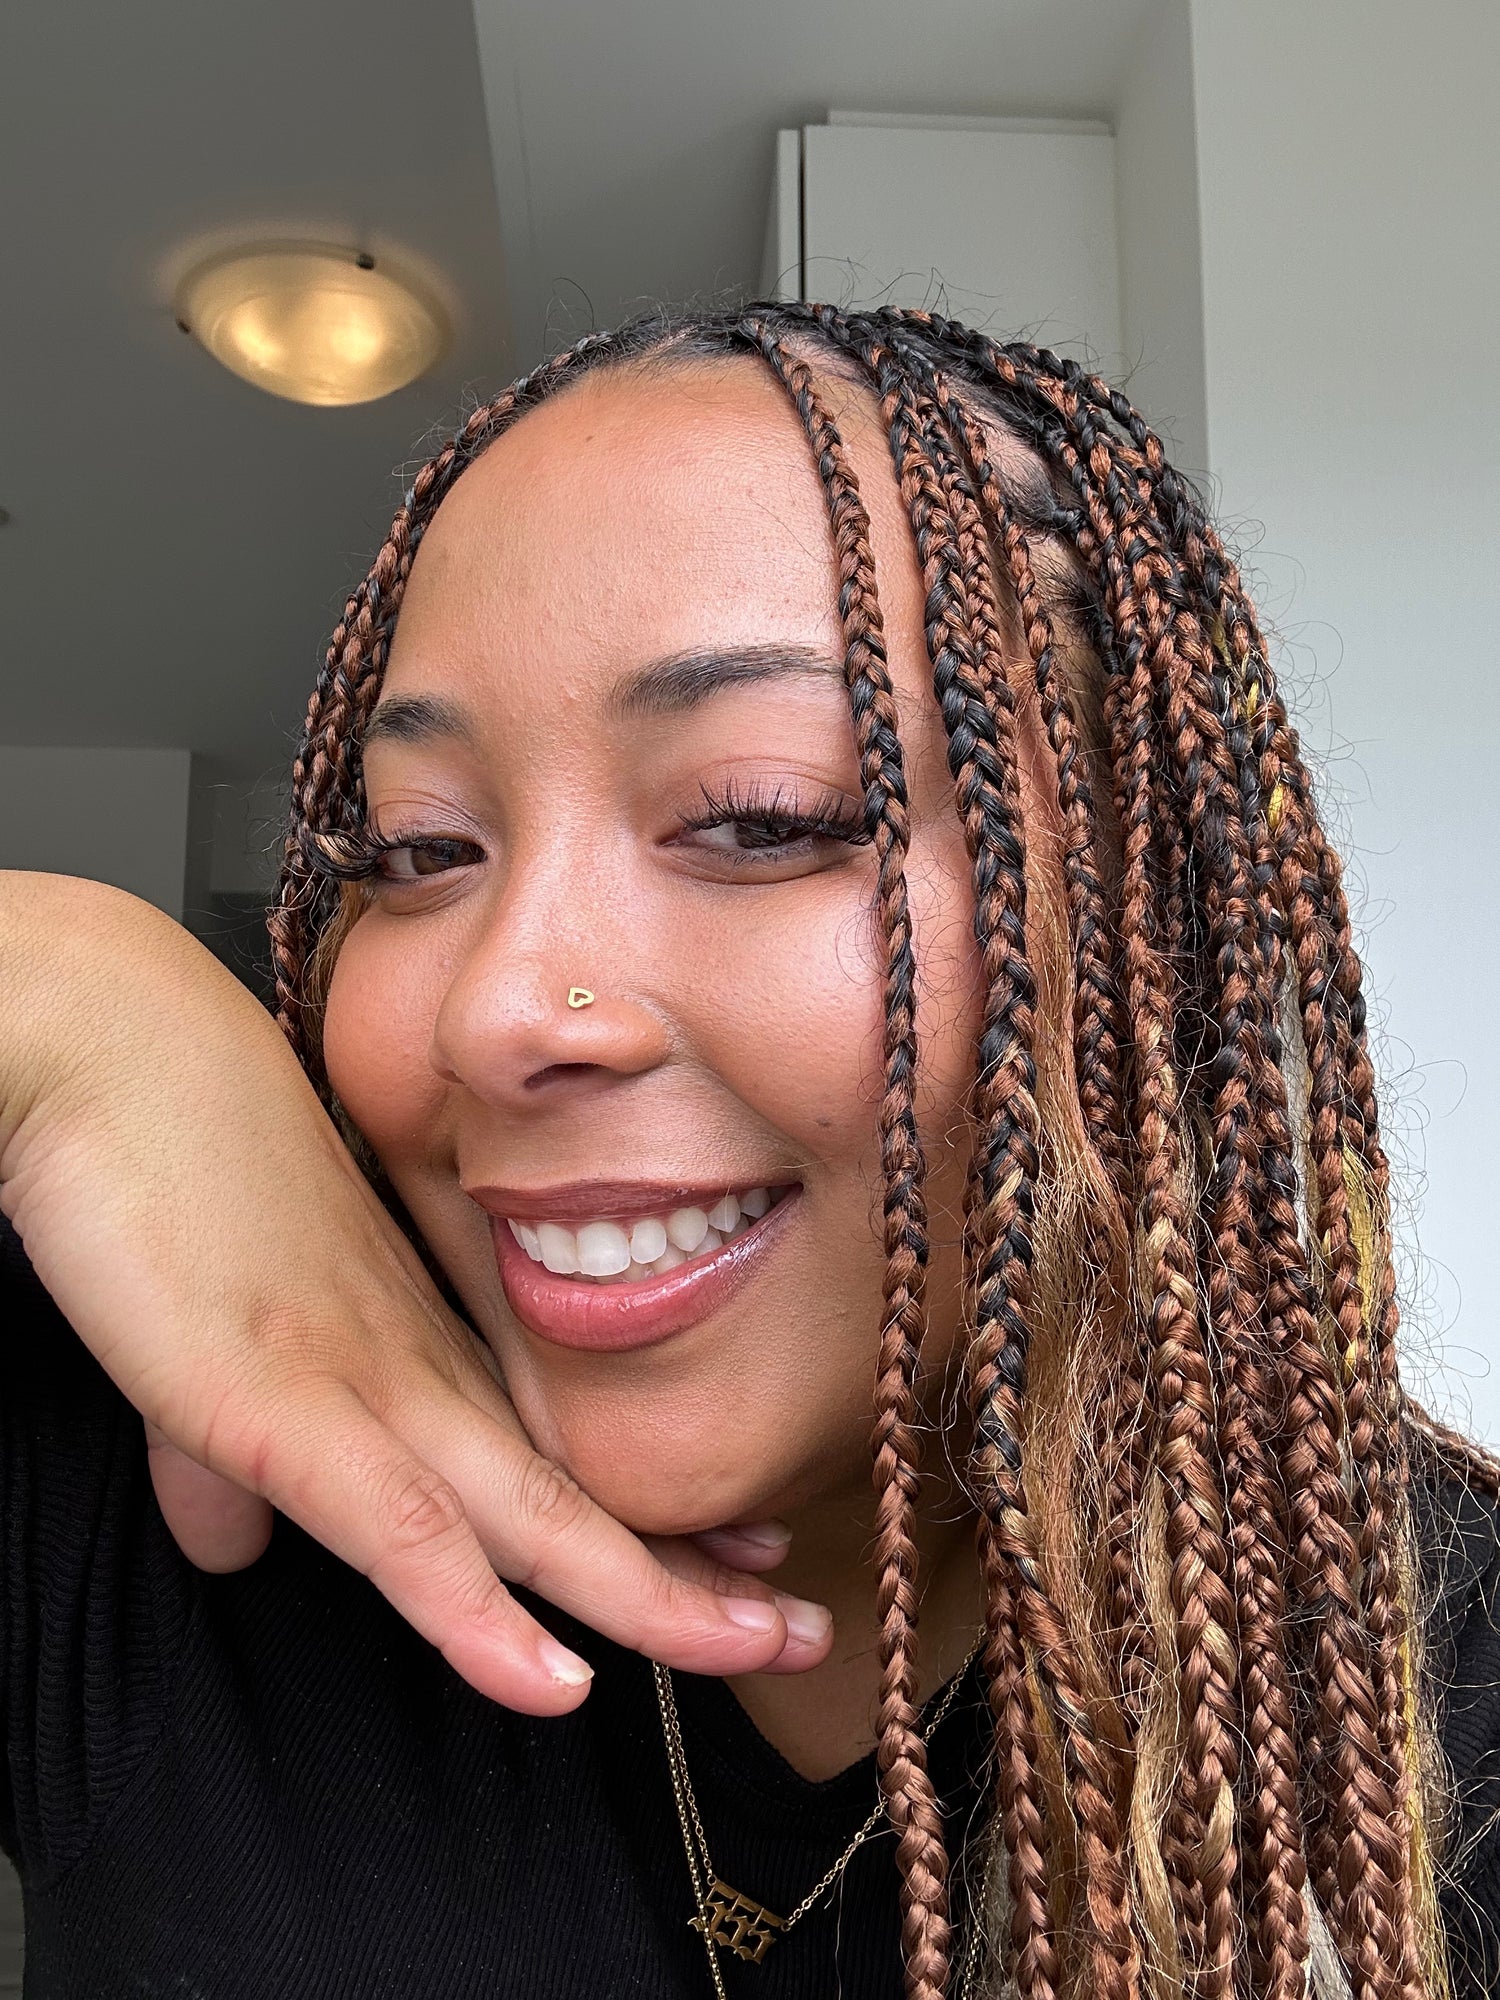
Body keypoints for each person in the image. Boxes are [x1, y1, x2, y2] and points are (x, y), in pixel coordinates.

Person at [1, 303, 1497, 2000]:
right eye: (417, 849)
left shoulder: (1450, 1677)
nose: (500, 1008)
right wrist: (61, 988)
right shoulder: (181, 1497)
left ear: (1143, 929)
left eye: (764, 817)